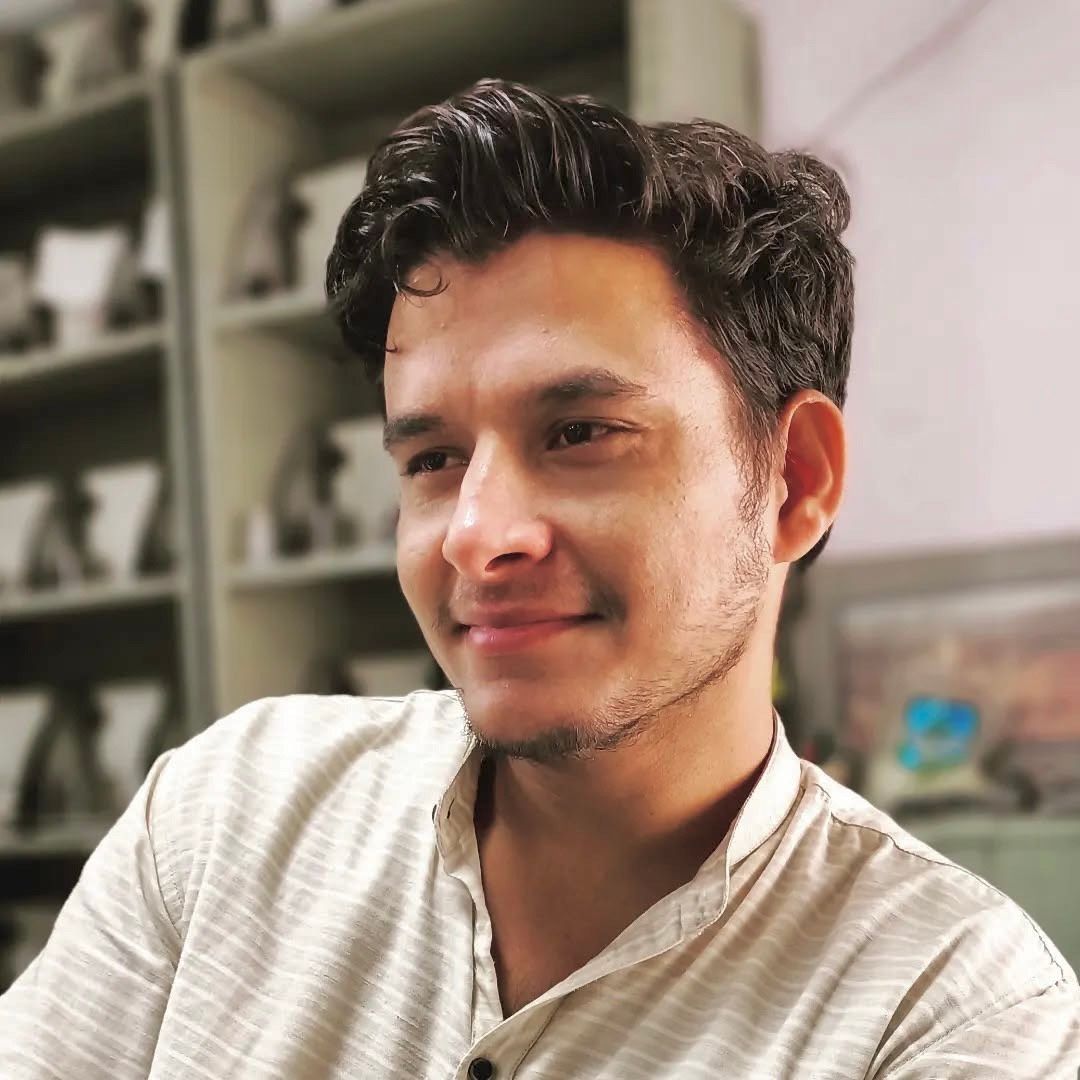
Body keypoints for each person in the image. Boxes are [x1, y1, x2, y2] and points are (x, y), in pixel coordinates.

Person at [2, 79, 1078, 1079]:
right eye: (431, 459)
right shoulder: (225, 815)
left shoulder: (953, 1006)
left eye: (579, 432)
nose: (477, 535)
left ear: (795, 480)